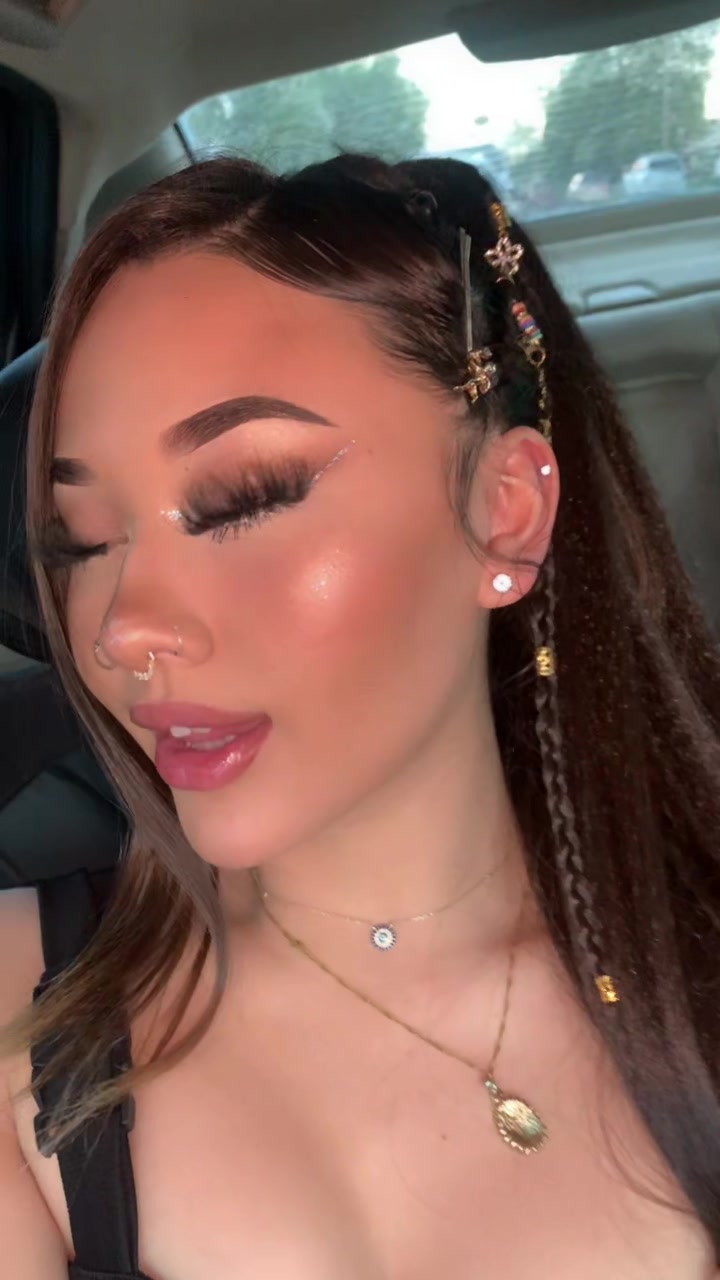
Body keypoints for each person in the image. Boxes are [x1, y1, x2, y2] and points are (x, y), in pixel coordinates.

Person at [1, 153, 720, 1280]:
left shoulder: (692, 962)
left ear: (505, 512)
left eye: (243, 500)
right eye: (83, 542)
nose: (123, 629)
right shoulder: (19, 1013)